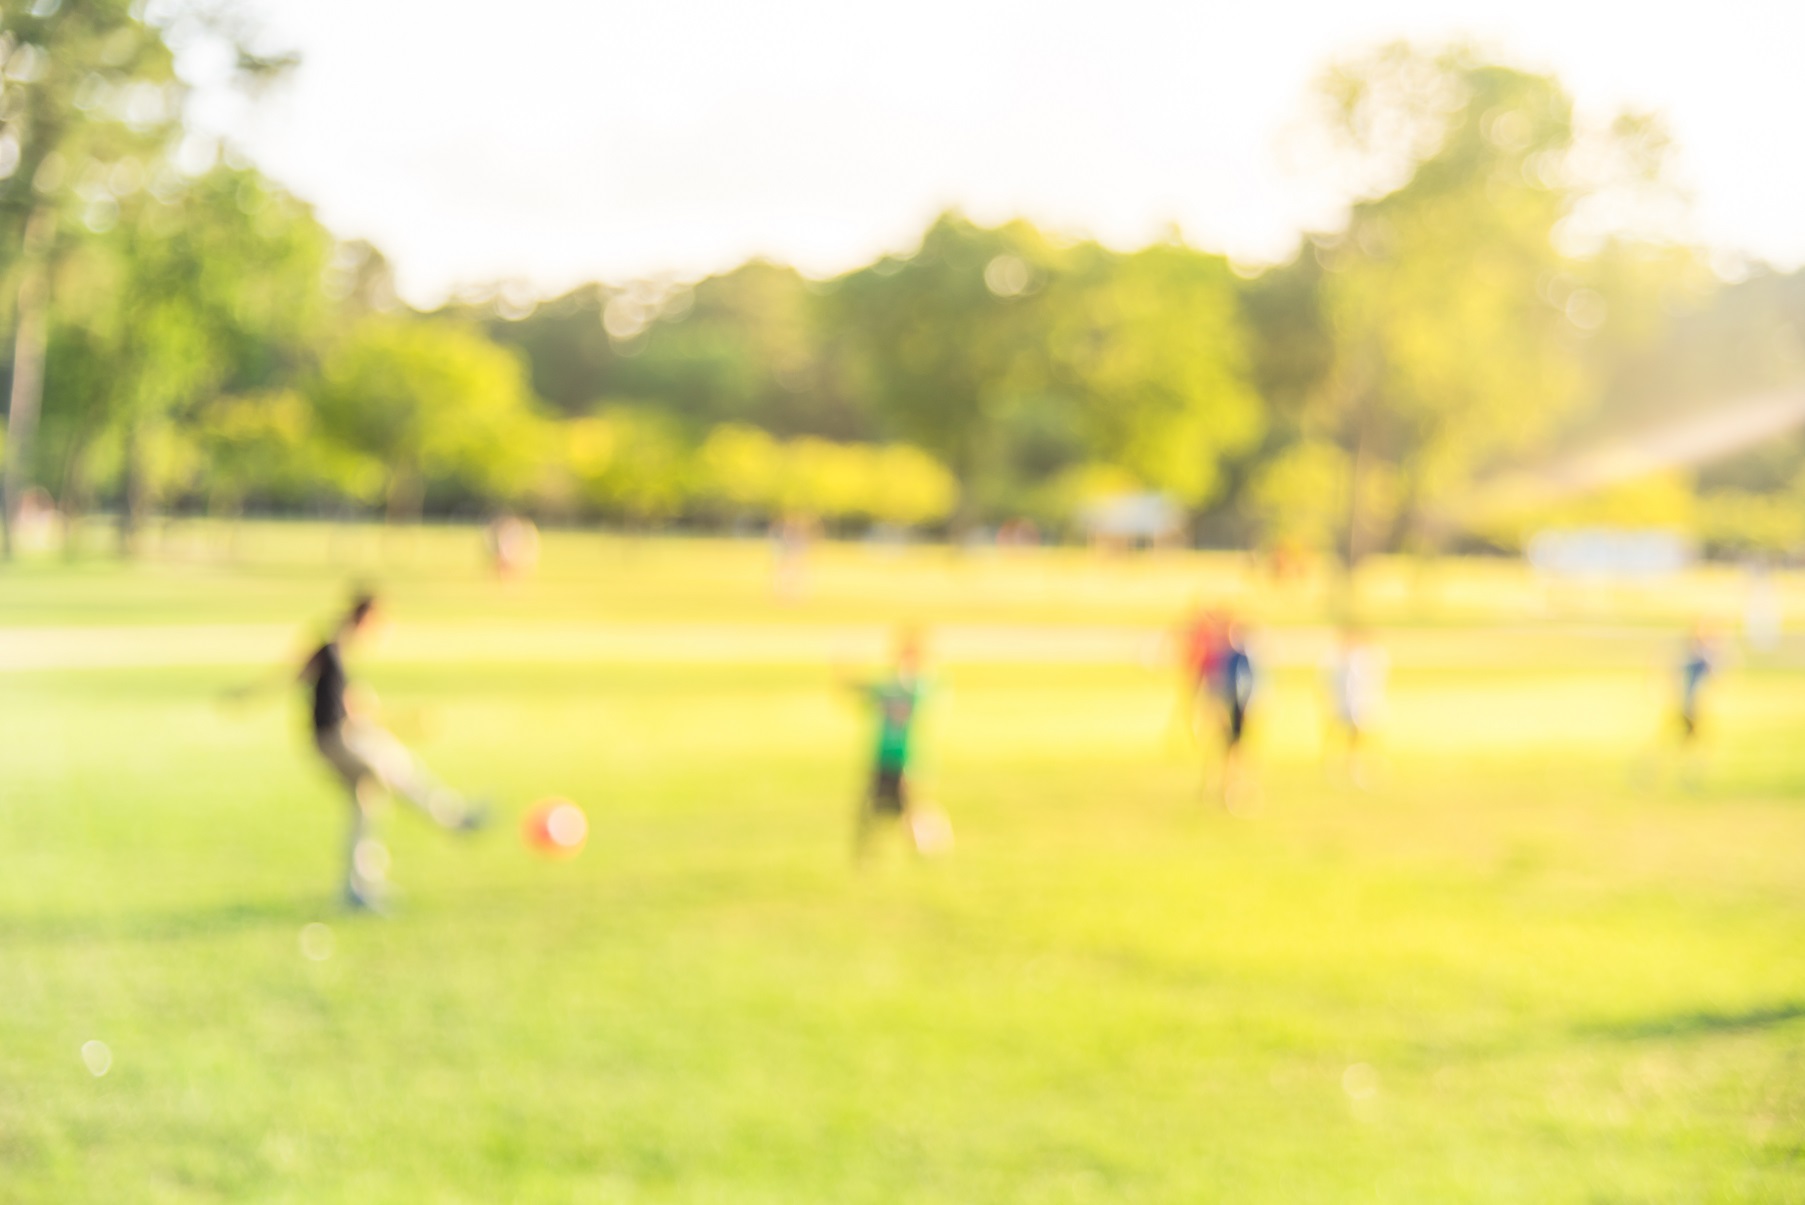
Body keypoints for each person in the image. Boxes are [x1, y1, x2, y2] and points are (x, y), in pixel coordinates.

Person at [297, 593, 488, 910]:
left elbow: (342, 700)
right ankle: (453, 819)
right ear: (366, 618)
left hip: (343, 737)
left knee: (378, 783)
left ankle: (361, 886)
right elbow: (316, 688)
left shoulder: (336, 649)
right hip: (336, 741)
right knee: (383, 772)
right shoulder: (333, 648)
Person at [845, 629, 947, 860]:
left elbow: (919, 709)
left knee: (910, 810)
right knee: (871, 809)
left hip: (907, 759)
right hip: (883, 757)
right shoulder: (890, 686)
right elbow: (863, 692)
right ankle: (866, 856)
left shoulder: (920, 687)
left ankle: (931, 847)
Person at [1324, 625, 1387, 789]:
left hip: (1361, 704)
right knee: (1347, 735)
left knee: (1359, 737)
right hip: (1350, 704)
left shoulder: (1367, 656)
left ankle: (1353, 764)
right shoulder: (1344, 658)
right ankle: (1342, 764)